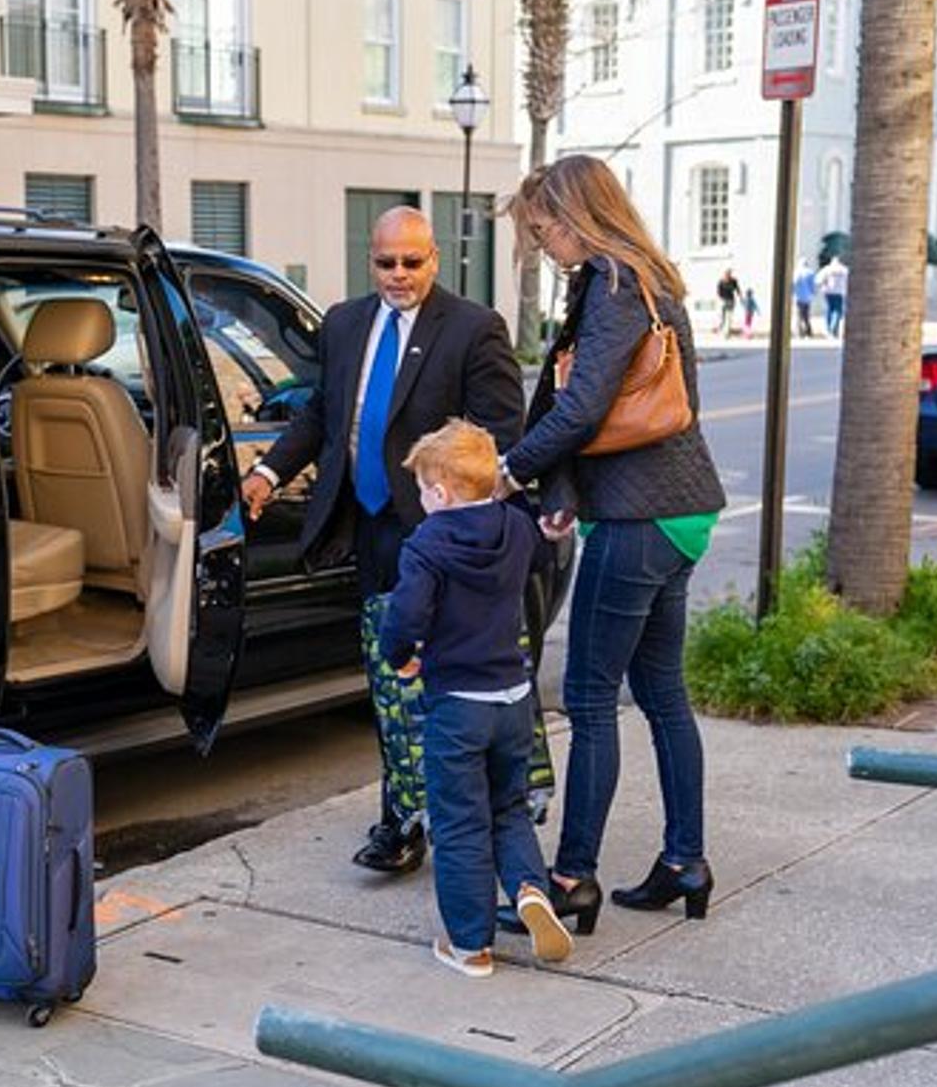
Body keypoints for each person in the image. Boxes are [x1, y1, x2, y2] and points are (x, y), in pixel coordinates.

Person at [241, 206, 535, 875]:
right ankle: (401, 819)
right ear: (369, 260)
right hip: (368, 525)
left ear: (435, 258)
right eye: (386, 262)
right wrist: (267, 470)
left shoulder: (472, 329)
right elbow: (323, 410)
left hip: (441, 533)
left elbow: (499, 438)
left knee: (441, 681)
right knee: (387, 676)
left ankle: (473, 821)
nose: (399, 275)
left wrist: (469, 517)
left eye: (412, 261)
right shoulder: (346, 322)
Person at [498, 154, 728, 931]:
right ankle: (683, 859)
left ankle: (572, 879)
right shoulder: (645, 277)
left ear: (579, 216)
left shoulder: (614, 285)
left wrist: (510, 472)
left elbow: (578, 412)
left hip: (640, 519)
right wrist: (562, 494)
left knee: (591, 699)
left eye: (546, 229)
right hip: (676, 512)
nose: (545, 244)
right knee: (663, 693)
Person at [378, 418, 572, 975]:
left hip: (458, 703)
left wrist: (401, 656)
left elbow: (404, 619)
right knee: (507, 806)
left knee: (460, 820)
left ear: (439, 493)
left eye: (421, 489)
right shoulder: (514, 526)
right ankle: (531, 891)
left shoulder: (427, 545)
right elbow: (542, 553)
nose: (420, 498)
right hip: (513, 699)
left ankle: (470, 945)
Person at [816, 255, 849, 337]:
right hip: (840, 292)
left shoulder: (827, 269)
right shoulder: (844, 270)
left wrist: (822, 287)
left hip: (828, 292)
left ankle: (829, 328)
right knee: (837, 310)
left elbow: (818, 280)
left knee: (829, 309)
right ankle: (833, 328)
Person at [792, 258, 818, 338]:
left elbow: (793, 284)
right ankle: (808, 332)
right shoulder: (810, 272)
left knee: (799, 315)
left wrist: (792, 293)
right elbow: (812, 285)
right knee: (806, 315)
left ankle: (799, 333)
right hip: (807, 297)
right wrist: (814, 292)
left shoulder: (796, 272)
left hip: (798, 297)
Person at [714, 269, 740, 338]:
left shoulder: (734, 281)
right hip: (723, 301)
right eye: (726, 274)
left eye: (729, 274)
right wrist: (721, 298)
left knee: (729, 317)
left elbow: (737, 289)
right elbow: (718, 291)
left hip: (731, 300)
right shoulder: (721, 282)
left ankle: (727, 333)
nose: (728, 275)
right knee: (722, 316)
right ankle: (720, 329)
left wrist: (740, 297)